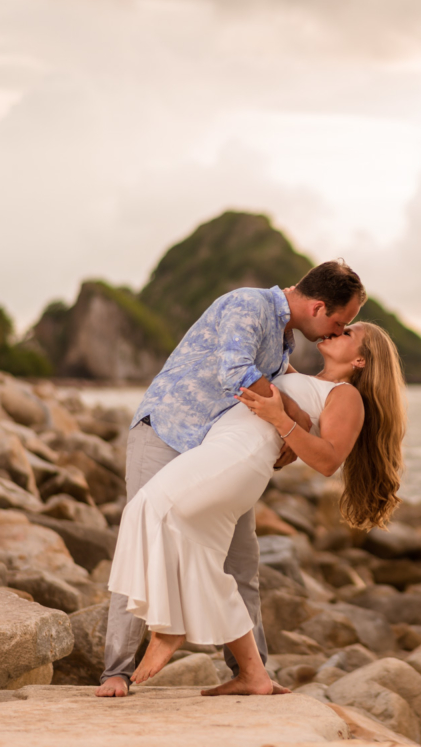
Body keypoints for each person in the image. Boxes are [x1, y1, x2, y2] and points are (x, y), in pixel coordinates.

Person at [95, 260, 366, 698]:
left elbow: (291, 403)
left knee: (242, 562)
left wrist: (291, 434)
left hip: (217, 453)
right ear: (318, 307)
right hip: (168, 430)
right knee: (144, 527)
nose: (337, 330)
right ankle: (117, 670)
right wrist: (293, 421)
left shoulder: (285, 343)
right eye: (340, 321)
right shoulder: (249, 304)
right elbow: (235, 372)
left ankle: (252, 673)